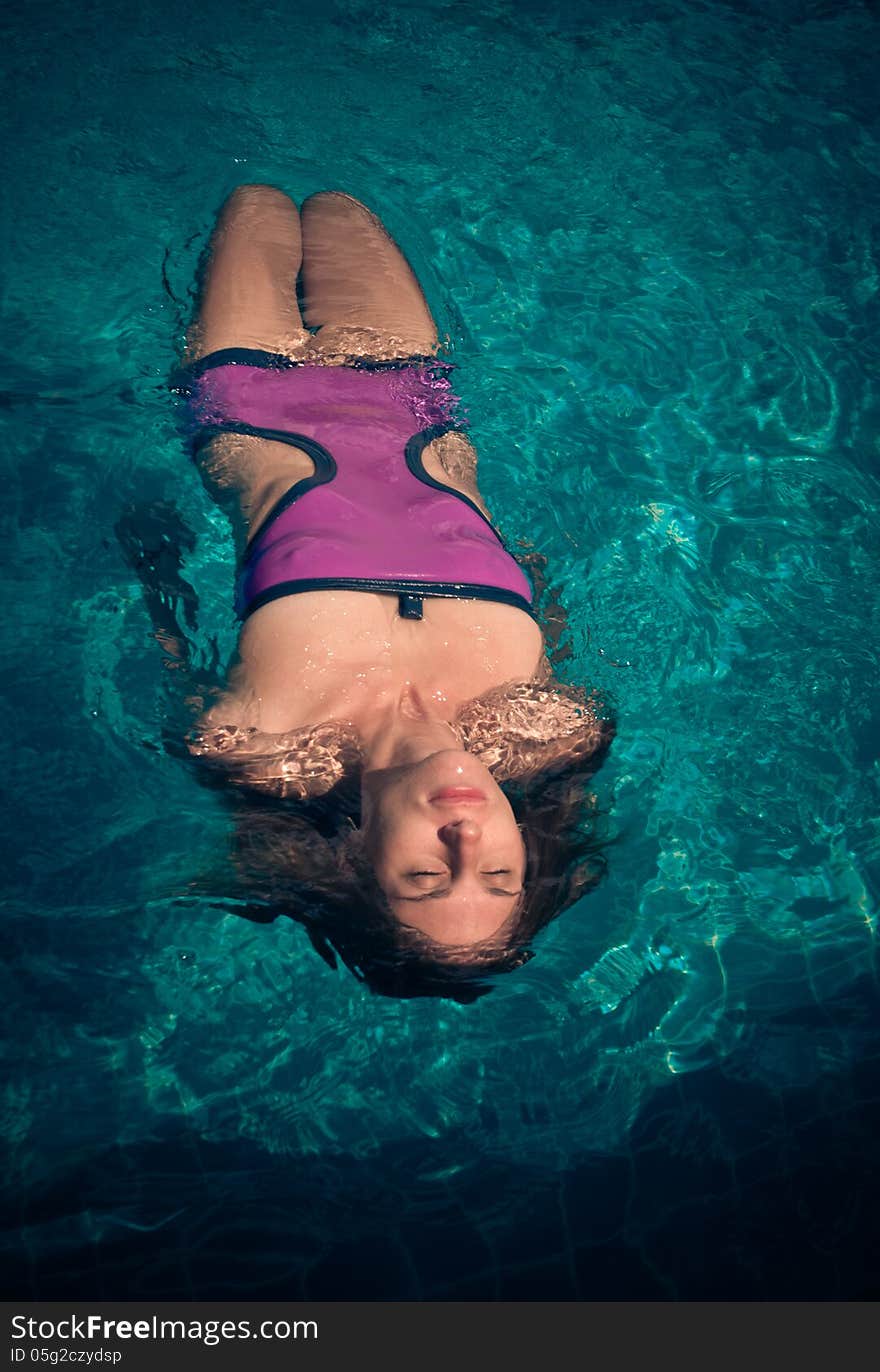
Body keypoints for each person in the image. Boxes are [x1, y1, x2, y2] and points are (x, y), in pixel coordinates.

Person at [124, 185, 613, 1000]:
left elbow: (172, 635)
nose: (464, 836)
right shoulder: (552, 728)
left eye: (426, 877)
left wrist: (153, 559)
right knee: (340, 204)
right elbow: (546, 593)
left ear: (356, 860)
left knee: (254, 201)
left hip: (247, 392)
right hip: (408, 391)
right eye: (496, 873)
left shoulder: (261, 740)